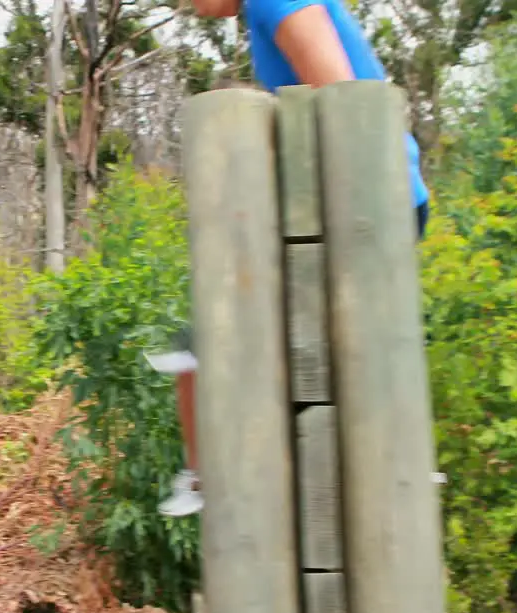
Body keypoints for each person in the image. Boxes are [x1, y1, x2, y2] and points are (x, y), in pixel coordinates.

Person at [151, 0, 431, 517]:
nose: (185, 5)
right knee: (204, 344)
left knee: (206, 341)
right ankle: (215, 475)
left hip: (363, 207)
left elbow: (345, 101)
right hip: (359, 206)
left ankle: (213, 476)